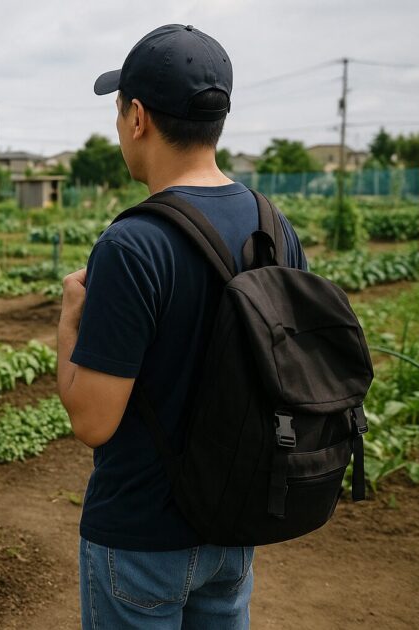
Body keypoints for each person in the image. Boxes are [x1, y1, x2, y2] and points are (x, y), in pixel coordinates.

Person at [57, 25, 307, 629]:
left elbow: (93, 421)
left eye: (118, 110)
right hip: (233, 526)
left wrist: (69, 321)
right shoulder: (274, 228)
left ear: (137, 116)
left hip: (141, 538)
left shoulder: (133, 243)